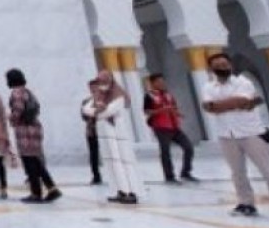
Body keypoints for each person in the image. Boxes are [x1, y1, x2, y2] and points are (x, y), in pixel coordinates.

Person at [202, 52, 269, 222]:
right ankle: (246, 203)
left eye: (225, 64)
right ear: (211, 68)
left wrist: (223, 105)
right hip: (227, 135)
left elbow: (241, 101)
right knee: (237, 173)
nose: (222, 68)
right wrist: (237, 104)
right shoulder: (209, 87)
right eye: (218, 66)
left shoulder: (243, 82)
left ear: (230, 65)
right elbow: (209, 107)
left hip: (251, 133)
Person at [81, 72, 140, 204]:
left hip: (118, 132)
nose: (101, 83)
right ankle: (120, 190)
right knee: (112, 163)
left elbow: (110, 111)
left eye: (103, 80)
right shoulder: (98, 96)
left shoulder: (117, 95)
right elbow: (86, 109)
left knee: (124, 162)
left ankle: (131, 192)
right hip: (105, 134)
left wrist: (99, 111)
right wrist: (99, 110)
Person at [7, 68, 61, 204]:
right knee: (36, 161)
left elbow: (17, 111)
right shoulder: (28, 92)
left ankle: (36, 193)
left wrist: (11, 119)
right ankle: (52, 188)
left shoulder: (16, 93)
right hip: (35, 128)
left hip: (25, 131)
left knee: (30, 162)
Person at [144, 73, 198, 184]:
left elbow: (173, 107)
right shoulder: (149, 96)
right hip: (161, 127)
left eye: (163, 81)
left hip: (174, 126)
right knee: (165, 151)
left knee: (188, 147)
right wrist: (162, 111)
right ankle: (169, 176)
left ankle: (185, 172)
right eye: (158, 81)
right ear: (153, 83)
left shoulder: (169, 95)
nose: (162, 83)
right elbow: (147, 111)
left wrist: (178, 114)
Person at [81, 90, 103, 186]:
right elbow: (83, 115)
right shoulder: (86, 101)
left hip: (106, 130)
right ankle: (96, 175)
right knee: (93, 154)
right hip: (92, 130)